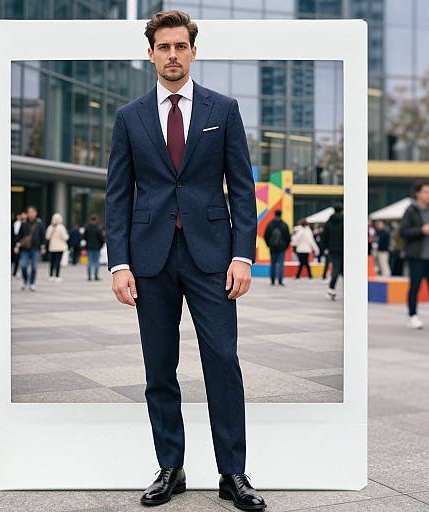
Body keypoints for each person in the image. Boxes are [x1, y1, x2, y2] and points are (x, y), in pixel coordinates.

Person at [105, 10, 266, 510]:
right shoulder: (129, 116)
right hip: (150, 257)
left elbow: (241, 186)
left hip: (212, 257)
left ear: (193, 51)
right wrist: (119, 263)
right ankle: (170, 468)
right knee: (159, 366)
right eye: (163, 47)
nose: (172, 55)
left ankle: (233, 473)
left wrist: (243, 253)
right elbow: (117, 195)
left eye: (180, 46)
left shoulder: (224, 108)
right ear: (150, 53)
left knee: (223, 362)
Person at [399, 180, 429, 329]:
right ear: (418, 193)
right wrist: (421, 230)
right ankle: (412, 315)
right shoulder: (411, 211)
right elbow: (402, 232)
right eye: (425, 192)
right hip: (416, 256)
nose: (428, 195)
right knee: (415, 286)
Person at [14, 205, 45, 291]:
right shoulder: (23, 224)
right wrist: (17, 246)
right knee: (23, 266)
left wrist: (43, 247)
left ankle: (32, 283)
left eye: (32, 212)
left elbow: (42, 236)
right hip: (25, 249)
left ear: (36, 213)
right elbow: (19, 236)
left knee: (34, 267)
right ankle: (25, 280)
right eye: (29, 212)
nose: (31, 214)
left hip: (35, 248)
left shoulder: (39, 224)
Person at [322, 201, 344, 300]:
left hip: (333, 249)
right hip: (344, 249)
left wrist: (325, 248)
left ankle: (331, 289)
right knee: (345, 270)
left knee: (335, 268)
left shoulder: (329, 222)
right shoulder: (345, 221)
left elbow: (324, 237)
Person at [264, 209, 291, 286]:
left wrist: (268, 244)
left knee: (272, 263)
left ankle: (272, 281)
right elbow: (288, 237)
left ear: (274, 214)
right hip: (282, 247)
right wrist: (286, 246)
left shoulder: (270, 224)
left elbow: (266, 235)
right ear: (281, 214)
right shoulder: (284, 225)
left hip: (272, 247)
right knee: (281, 264)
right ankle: (280, 281)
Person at [45, 213, 69, 282]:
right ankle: (57, 276)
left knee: (52, 262)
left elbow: (47, 237)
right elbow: (65, 237)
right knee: (58, 262)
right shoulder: (61, 227)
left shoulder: (50, 227)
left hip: (52, 247)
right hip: (59, 247)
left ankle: (51, 275)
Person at [83, 214, 105, 281]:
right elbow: (101, 238)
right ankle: (96, 276)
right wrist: (101, 245)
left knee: (89, 262)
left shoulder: (87, 228)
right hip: (97, 247)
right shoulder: (98, 228)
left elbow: (85, 237)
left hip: (89, 247)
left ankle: (89, 276)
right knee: (96, 262)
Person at [12, 211, 26, 278]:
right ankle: (15, 272)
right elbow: (16, 235)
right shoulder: (16, 224)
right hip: (17, 242)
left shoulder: (25, 223)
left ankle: (19, 272)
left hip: (23, 243)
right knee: (17, 258)